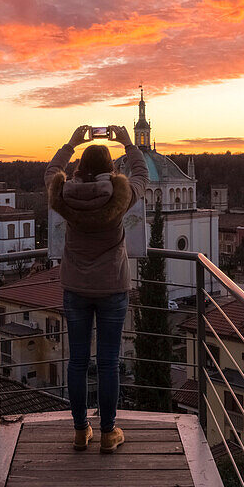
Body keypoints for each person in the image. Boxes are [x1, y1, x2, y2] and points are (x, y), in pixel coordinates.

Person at [45, 125, 148, 452]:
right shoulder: (119, 195)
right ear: (111, 168)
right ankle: (107, 432)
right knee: (107, 362)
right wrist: (128, 143)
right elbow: (142, 175)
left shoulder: (63, 193)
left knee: (77, 362)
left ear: (80, 168)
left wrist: (72, 142)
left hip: (75, 287)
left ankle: (80, 431)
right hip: (112, 288)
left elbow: (51, 172)